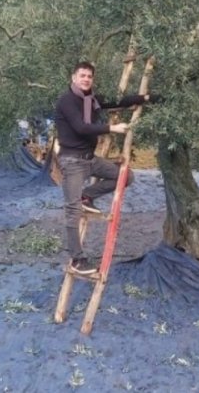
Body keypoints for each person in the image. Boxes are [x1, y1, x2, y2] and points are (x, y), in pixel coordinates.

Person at [55, 61, 156, 275]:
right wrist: (113, 128)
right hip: (72, 162)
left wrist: (145, 98)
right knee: (72, 211)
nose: (86, 79)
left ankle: (87, 196)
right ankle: (77, 259)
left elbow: (117, 102)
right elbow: (81, 128)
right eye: (82, 75)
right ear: (74, 78)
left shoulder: (91, 100)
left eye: (89, 76)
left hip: (90, 159)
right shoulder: (67, 101)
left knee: (125, 177)